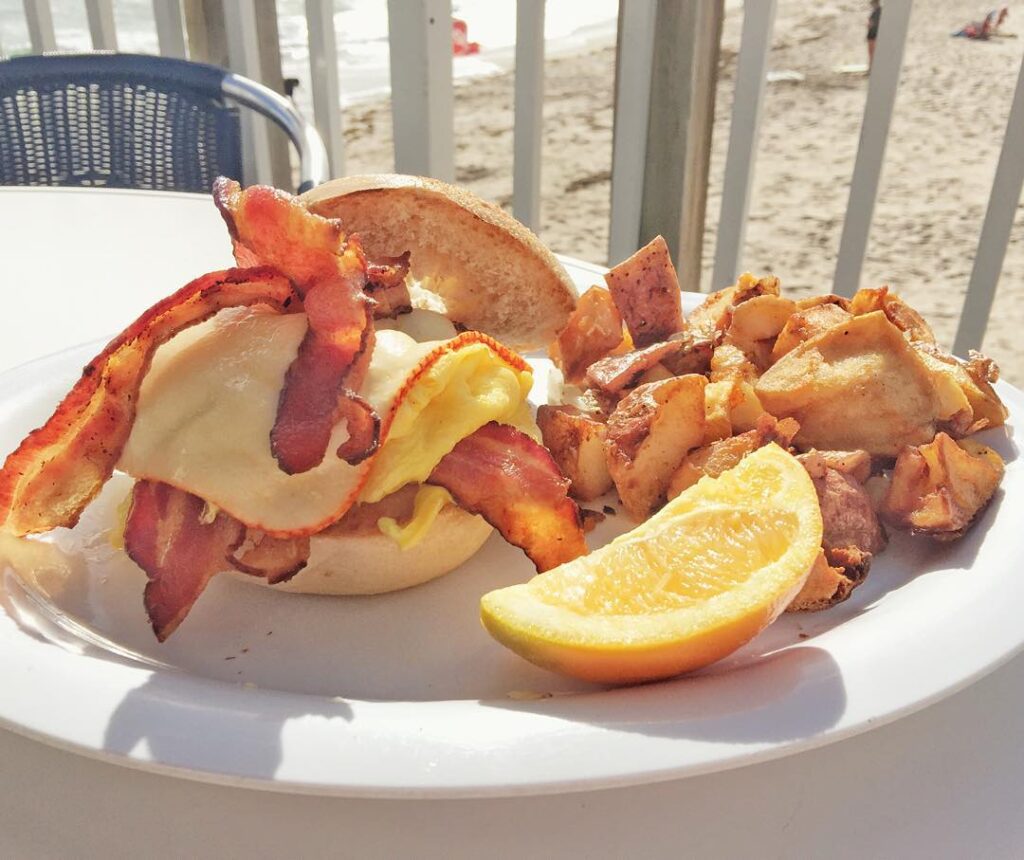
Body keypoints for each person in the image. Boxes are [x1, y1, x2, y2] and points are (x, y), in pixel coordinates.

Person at [867, 0, 881, 68]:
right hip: (873, 35)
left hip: (874, 35)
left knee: (873, 53)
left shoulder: (878, 12)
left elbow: (873, 24)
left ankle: (872, 68)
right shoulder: (876, 12)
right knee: (872, 53)